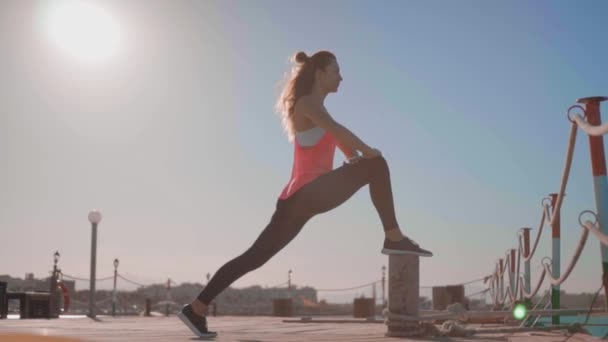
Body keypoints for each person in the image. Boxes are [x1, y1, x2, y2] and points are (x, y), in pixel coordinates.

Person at [178, 50, 432, 338]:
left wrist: (360, 158)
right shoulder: (306, 104)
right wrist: (370, 152)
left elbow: (345, 147)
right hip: (305, 195)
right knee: (378, 164)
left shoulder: (318, 109)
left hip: (300, 200)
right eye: (336, 70)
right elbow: (340, 132)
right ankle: (394, 237)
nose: (341, 77)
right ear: (320, 73)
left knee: (254, 257)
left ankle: (196, 308)